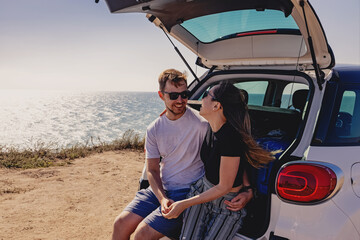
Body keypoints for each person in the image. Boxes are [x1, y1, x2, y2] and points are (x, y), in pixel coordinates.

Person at [163, 82, 274, 240]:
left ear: (216, 106)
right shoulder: (210, 126)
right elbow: (237, 164)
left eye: (206, 95)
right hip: (202, 190)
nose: (202, 99)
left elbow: (224, 186)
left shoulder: (230, 137)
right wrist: (168, 112)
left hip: (228, 202)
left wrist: (183, 204)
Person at [111, 69, 209, 240]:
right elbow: (152, 171)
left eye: (184, 94)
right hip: (160, 190)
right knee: (120, 224)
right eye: (173, 96)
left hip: (186, 193)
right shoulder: (154, 128)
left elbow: (228, 151)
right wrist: (163, 198)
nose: (180, 100)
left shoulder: (201, 125)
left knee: (142, 234)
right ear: (161, 95)